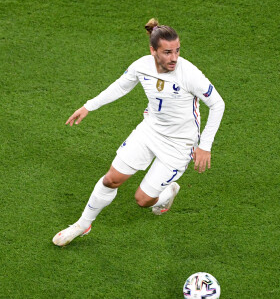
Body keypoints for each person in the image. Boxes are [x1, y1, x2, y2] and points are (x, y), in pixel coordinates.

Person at [52, 18, 225, 246]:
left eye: (177, 51)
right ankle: (83, 224)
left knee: (143, 200)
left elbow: (217, 104)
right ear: (153, 50)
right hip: (149, 131)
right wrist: (88, 106)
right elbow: (121, 86)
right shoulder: (141, 66)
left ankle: (166, 194)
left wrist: (205, 145)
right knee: (111, 180)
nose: (174, 58)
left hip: (179, 145)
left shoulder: (189, 74)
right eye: (167, 52)